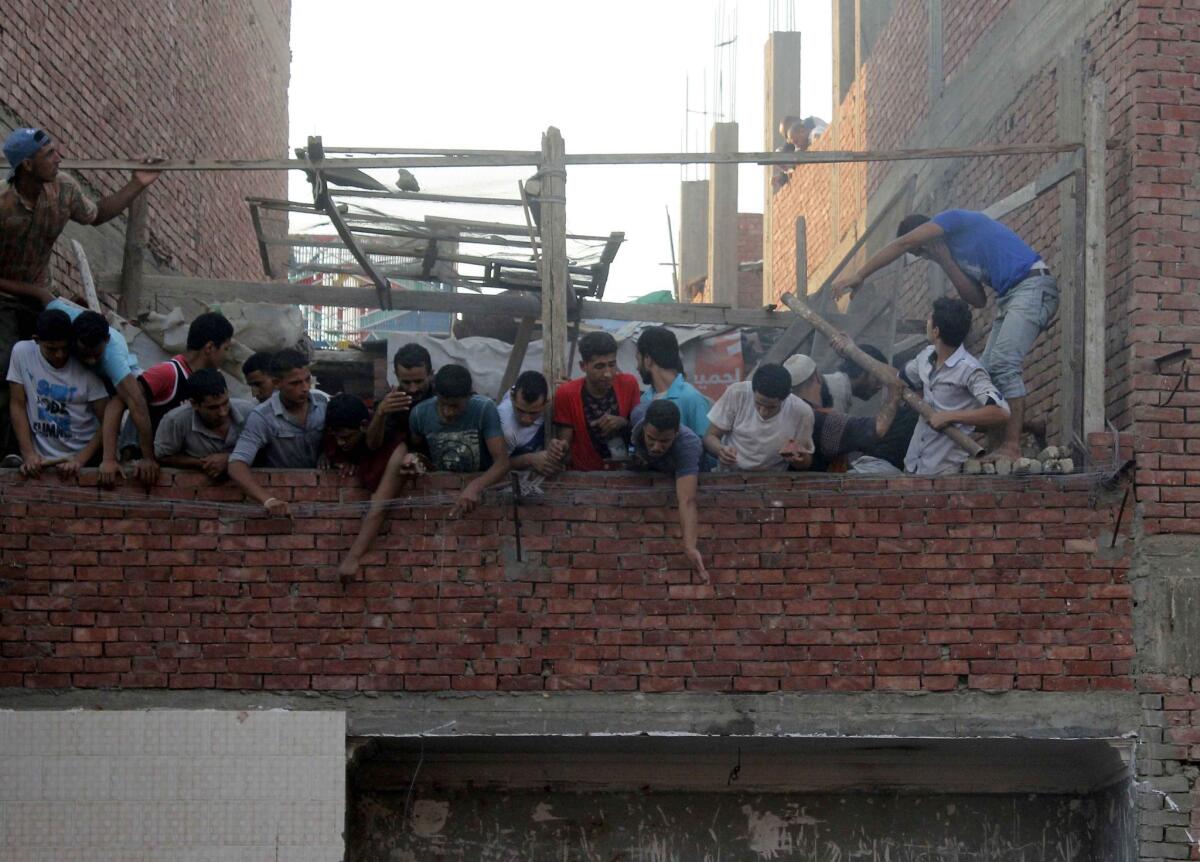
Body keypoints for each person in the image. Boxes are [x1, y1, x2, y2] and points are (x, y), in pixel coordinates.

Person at [832, 209, 1057, 461]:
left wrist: (860, 274)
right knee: (986, 377)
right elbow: (978, 300)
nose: (924, 256)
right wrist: (946, 261)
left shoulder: (954, 220)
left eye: (920, 251)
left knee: (1004, 364)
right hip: (1009, 298)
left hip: (1031, 285)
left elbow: (903, 242)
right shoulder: (954, 256)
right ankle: (1003, 446)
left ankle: (1012, 447)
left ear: (927, 235)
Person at [0, 127, 158, 456]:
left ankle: (68, 449)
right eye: (49, 154)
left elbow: (97, 214)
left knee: (63, 364)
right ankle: (11, 455)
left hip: (41, 295)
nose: (59, 157)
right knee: (7, 369)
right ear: (27, 165)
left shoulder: (65, 189)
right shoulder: (2, 205)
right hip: (4, 298)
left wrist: (137, 183)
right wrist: (37, 293)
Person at [338, 364, 510, 580]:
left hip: (481, 508)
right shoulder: (420, 414)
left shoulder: (484, 409)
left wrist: (475, 485)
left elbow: (502, 463)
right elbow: (421, 452)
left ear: (469, 397)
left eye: (456, 406)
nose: (448, 412)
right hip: (439, 506)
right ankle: (354, 555)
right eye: (444, 405)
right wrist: (416, 461)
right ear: (436, 395)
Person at [100, 311, 234, 484]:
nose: (227, 355)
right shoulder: (168, 373)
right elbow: (118, 402)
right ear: (209, 348)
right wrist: (109, 459)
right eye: (226, 349)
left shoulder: (215, 382)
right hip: (146, 473)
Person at [902, 297, 1010, 475]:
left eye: (930, 319)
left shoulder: (970, 370)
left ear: (936, 332)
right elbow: (901, 377)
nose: (927, 323)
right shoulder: (925, 357)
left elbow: (1001, 412)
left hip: (943, 472)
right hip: (912, 465)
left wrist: (950, 416)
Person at [50, 303, 157, 484]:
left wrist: (147, 458)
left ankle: (125, 452)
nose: (91, 361)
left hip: (119, 378)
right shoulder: (67, 317)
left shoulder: (112, 359)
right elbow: (41, 295)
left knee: (123, 399)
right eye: (85, 355)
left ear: (106, 341)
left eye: (95, 355)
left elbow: (135, 402)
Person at [5, 308, 108, 478]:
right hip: (40, 461)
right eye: (51, 349)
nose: (59, 355)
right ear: (37, 340)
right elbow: (17, 405)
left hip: (83, 459)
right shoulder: (21, 353)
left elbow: (109, 420)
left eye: (64, 348)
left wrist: (80, 460)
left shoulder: (87, 364)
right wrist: (29, 454)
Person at [227, 349, 328, 514]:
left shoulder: (322, 403)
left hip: (324, 498)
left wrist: (329, 453)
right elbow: (236, 465)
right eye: (295, 383)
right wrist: (268, 499)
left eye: (307, 380)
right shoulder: (262, 416)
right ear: (277, 383)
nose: (304, 388)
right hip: (285, 497)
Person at [786, 353, 906, 473]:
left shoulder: (782, 413)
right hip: (827, 484)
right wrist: (893, 395)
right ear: (817, 377)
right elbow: (878, 428)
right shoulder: (824, 421)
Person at [629, 399, 707, 578]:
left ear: (676, 432)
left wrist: (689, 546)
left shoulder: (688, 445)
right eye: (651, 439)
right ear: (644, 427)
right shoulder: (637, 415)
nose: (657, 447)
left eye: (665, 441)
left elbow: (687, 500)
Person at [553, 331, 641, 470]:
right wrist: (559, 448)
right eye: (599, 366)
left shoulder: (629, 384)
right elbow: (565, 443)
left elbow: (640, 431)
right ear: (583, 366)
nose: (607, 373)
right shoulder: (566, 394)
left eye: (612, 365)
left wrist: (623, 422)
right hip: (585, 475)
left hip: (624, 472)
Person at [703, 363, 814, 472]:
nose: (763, 411)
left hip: (773, 480)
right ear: (752, 390)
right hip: (730, 475)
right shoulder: (737, 394)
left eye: (771, 407)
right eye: (758, 404)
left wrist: (798, 459)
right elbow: (710, 436)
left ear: (785, 397)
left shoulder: (801, 412)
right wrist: (720, 450)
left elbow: (806, 462)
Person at [153, 368, 255, 479]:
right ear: (194, 404)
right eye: (213, 408)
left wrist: (229, 459)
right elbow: (163, 456)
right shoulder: (175, 420)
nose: (223, 412)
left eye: (225, 403)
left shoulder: (249, 412)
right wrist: (202, 463)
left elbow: (264, 450)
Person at [636, 326, 710, 438]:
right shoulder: (644, 400)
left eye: (638, 360)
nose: (637, 367)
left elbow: (707, 446)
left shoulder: (691, 398)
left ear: (647, 359)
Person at [364, 342, 434, 454]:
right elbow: (372, 445)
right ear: (396, 376)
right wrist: (380, 414)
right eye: (406, 382)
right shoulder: (391, 402)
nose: (413, 389)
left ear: (430, 375)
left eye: (419, 381)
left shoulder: (441, 398)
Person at [321, 393, 397, 492]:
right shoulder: (331, 432)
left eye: (346, 437)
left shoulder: (383, 432)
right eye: (336, 437)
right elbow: (331, 451)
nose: (340, 442)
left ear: (364, 425)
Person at [499, 370, 566, 476]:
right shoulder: (506, 425)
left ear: (547, 403)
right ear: (512, 398)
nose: (526, 419)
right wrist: (530, 459)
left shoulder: (554, 399)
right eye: (520, 410)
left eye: (533, 413)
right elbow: (497, 465)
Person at [822, 343, 888, 414]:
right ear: (862, 371)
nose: (880, 386)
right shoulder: (836, 396)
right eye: (877, 379)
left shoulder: (836, 387)